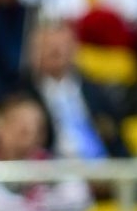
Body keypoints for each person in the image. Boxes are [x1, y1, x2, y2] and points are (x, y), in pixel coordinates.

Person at [21, 20, 128, 161]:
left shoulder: (95, 90)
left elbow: (115, 137)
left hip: (102, 168)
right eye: (48, 46)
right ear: (34, 53)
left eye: (62, 45)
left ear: (74, 49)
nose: (56, 50)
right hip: (52, 170)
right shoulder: (24, 94)